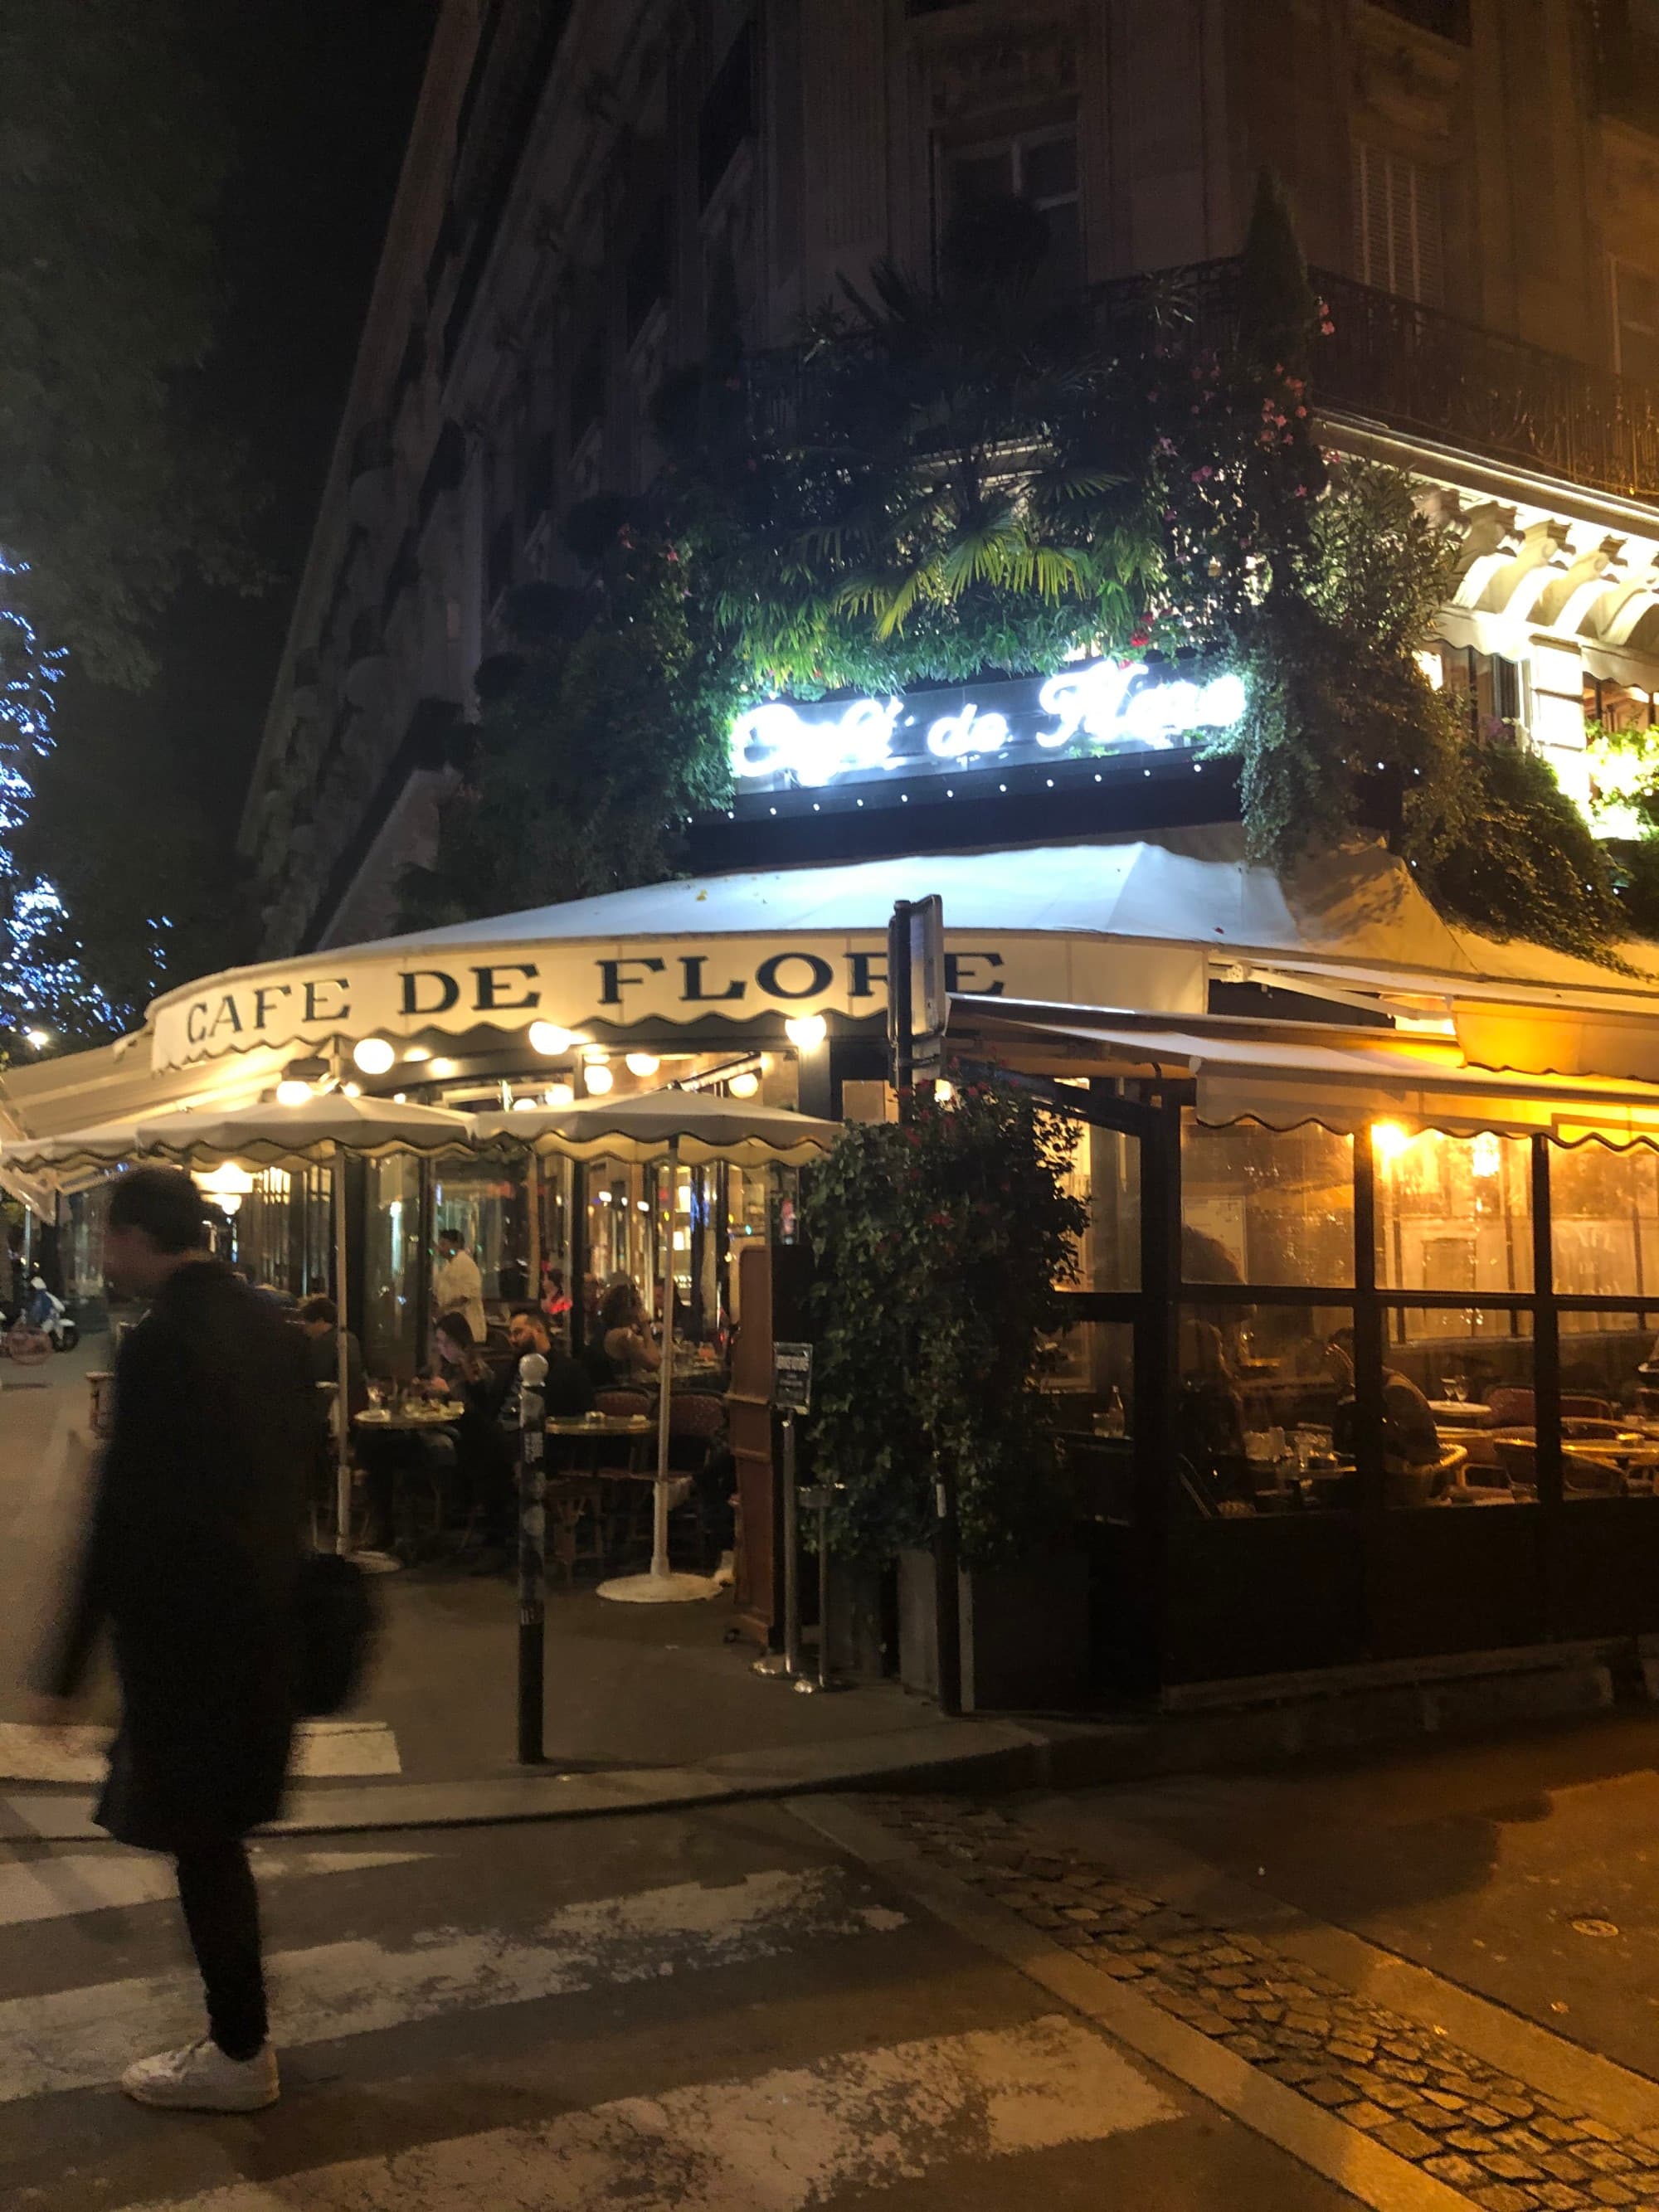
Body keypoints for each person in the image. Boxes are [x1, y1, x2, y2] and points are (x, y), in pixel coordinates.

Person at [30, 1166, 312, 2112]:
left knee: (204, 1844)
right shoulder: (275, 1329)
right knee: (216, 1834)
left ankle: (239, 2052)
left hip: (189, 1639)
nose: (105, 1253)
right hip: (266, 1628)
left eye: (110, 1236)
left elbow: (120, 1518)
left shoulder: (160, 1347)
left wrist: (64, 1669)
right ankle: (241, 2043)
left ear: (137, 1236)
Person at [1326, 1327, 1441, 1470]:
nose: (1338, 1360)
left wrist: (1348, 1389)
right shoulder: (1365, 1387)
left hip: (1409, 1480)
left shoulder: (1396, 1390)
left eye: (1346, 1351)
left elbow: (1379, 1440)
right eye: (1334, 1354)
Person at [295, 1294, 367, 1417]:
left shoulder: (322, 1343)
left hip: (333, 1408)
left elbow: (313, 1375)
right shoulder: (349, 1337)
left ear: (320, 1321)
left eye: (306, 1324)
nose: (304, 1330)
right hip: (358, 1402)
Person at [597, 1279, 660, 1386]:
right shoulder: (624, 1336)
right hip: (621, 1394)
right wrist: (645, 1328)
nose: (641, 1309)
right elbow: (654, 1364)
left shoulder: (607, 1331)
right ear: (629, 1309)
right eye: (640, 1305)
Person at [431, 1228, 485, 1347]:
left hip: (467, 1327)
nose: (440, 1248)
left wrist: (444, 1309)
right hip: (451, 1328)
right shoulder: (446, 1266)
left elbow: (466, 1296)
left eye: (444, 1244)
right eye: (439, 1244)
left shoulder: (466, 1264)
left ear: (456, 1245)